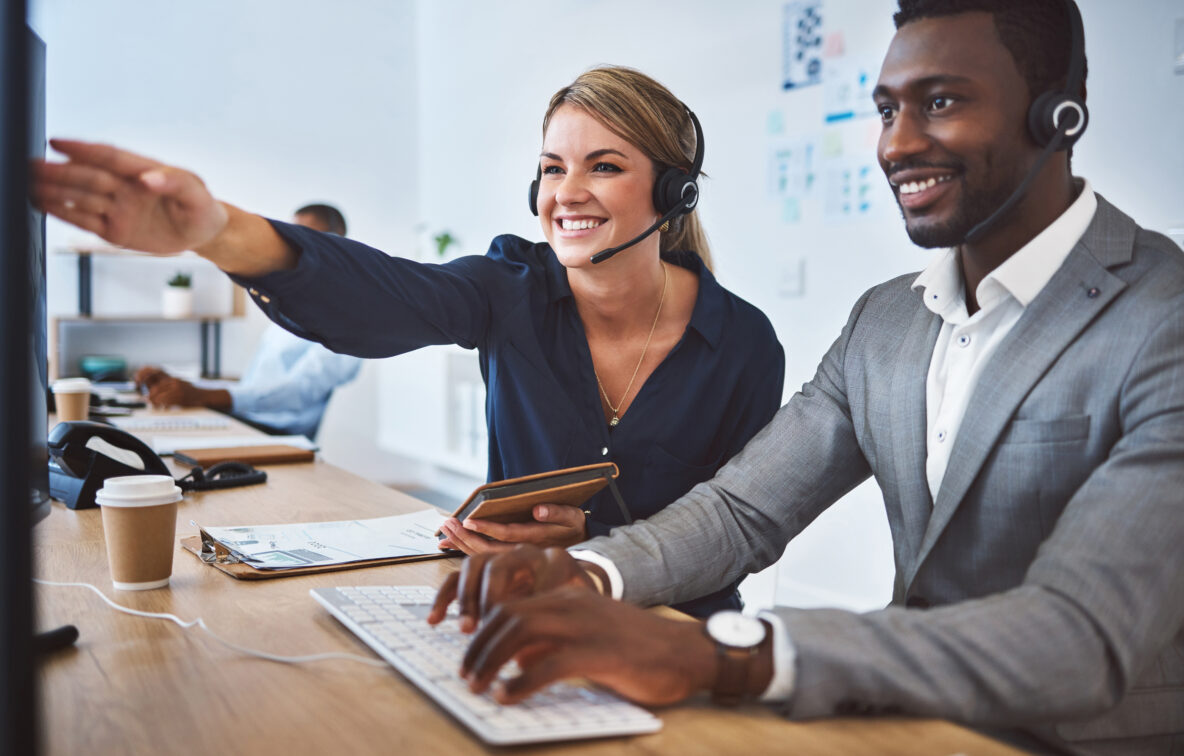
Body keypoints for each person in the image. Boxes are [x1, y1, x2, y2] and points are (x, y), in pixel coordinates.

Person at [424, 2, 1184, 753]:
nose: (899, 144)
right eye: (887, 110)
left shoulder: (1165, 320)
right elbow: (740, 512)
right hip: (914, 726)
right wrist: (582, 575)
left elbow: (1080, 632)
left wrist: (724, 653)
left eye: (942, 102)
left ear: (1060, 116)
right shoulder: (886, 322)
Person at [31, 66, 785, 618]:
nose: (567, 193)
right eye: (553, 168)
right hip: (524, 616)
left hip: (681, 637)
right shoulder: (510, 289)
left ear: (673, 191)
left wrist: (598, 541)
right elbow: (379, 297)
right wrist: (217, 233)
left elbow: (743, 530)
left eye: (605, 166)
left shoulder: (744, 345)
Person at [132, 203, 361, 440]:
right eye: (294, 238)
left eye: (308, 239)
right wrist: (178, 384)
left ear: (337, 246)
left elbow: (300, 391)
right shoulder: (294, 307)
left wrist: (202, 395)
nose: (297, 250)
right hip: (247, 420)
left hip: (278, 435)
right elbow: (251, 386)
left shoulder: (349, 317)